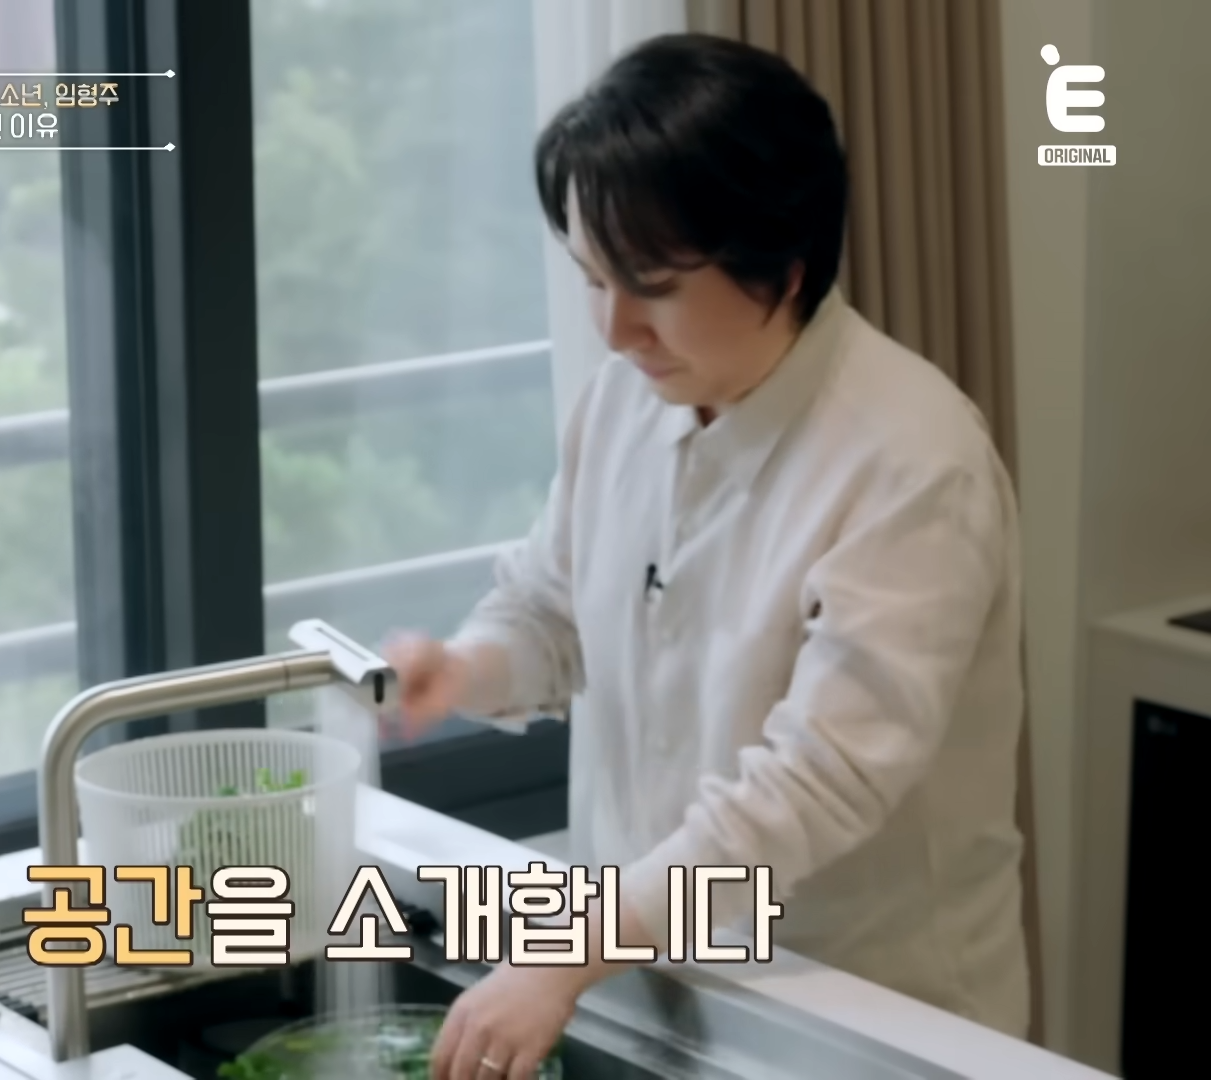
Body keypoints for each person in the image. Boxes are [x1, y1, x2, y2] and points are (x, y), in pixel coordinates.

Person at [383, 33, 1031, 1080]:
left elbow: (817, 783)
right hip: (661, 980)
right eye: (593, 278)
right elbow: (550, 606)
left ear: (785, 264)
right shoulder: (629, 402)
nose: (616, 328)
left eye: (654, 285)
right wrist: (462, 669)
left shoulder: (913, 461)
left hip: (864, 1011)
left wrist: (566, 956)